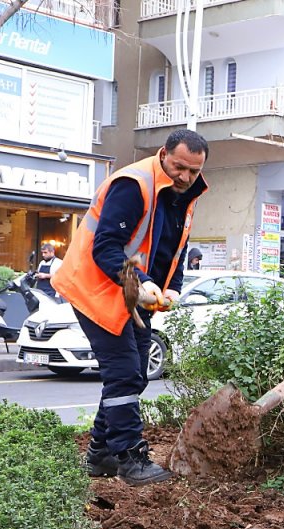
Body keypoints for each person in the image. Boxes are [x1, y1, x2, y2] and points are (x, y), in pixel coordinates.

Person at [53, 129, 209, 486]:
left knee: (136, 372)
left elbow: (176, 248)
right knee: (123, 372)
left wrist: (172, 289)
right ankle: (129, 457)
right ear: (163, 154)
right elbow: (106, 245)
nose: (184, 177)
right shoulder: (133, 184)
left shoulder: (184, 195)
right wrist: (139, 283)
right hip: (96, 289)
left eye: (193, 171)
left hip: (133, 294)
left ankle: (101, 453)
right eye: (178, 166)